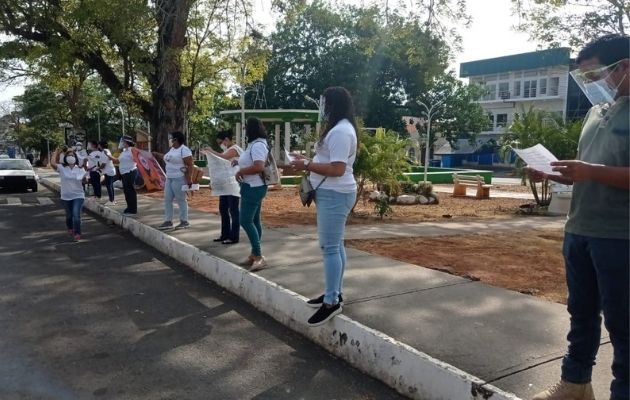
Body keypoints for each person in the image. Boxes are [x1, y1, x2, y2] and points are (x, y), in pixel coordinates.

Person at [529, 34, 629, 400]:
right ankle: (575, 385)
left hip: (621, 237)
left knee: (624, 327)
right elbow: (586, 170)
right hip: (580, 230)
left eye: (595, 75)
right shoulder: (595, 112)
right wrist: (552, 173)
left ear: (625, 66)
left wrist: (591, 171)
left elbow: (596, 170)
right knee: (581, 316)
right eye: (584, 78)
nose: (591, 85)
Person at [291, 86, 358, 327]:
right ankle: (333, 293)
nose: (322, 109)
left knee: (329, 247)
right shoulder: (340, 128)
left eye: (324, 104)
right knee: (336, 245)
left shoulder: (340, 131)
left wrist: (307, 164)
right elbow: (329, 161)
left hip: (335, 193)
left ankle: (331, 302)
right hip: (332, 192)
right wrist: (307, 162)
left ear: (332, 105)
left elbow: (337, 169)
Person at [235, 117, 269, 271]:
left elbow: (259, 166)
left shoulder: (258, 145)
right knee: (254, 221)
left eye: (246, 127)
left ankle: (259, 256)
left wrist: (241, 171)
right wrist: (239, 163)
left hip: (253, 187)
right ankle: (255, 253)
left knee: (245, 220)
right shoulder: (254, 145)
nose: (245, 130)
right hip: (252, 185)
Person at [205, 130, 243, 244]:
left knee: (233, 210)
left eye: (221, 142)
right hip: (226, 184)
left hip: (234, 184)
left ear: (227, 139)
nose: (221, 145)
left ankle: (234, 236)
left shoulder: (234, 149)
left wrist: (211, 152)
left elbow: (223, 158)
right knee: (223, 209)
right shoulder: (227, 149)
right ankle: (225, 234)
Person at [50, 146, 88, 242]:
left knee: (76, 215)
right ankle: (70, 228)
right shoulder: (62, 168)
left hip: (78, 195)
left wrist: (84, 179)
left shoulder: (80, 169)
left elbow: (85, 181)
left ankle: (77, 233)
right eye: (69, 156)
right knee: (69, 216)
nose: (71, 157)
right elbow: (53, 163)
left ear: (75, 158)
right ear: (65, 158)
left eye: (72, 156)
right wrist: (56, 152)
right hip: (66, 196)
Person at [158, 131, 194, 230]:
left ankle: (184, 221)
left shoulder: (184, 150)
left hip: (179, 177)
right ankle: (168, 221)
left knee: (181, 199)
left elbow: (190, 165)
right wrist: (157, 154)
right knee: (167, 199)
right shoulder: (172, 149)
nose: (169, 140)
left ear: (176, 139)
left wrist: (189, 179)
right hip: (169, 178)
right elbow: (168, 158)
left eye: (171, 138)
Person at [110, 135, 138, 216]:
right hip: (124, 173)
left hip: (130, 172)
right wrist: (109, 156)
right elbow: (118, 161)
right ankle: (129, 208)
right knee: (126, 191)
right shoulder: (124, 151)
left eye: (123, 141)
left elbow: (136, 159)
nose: (121, 143)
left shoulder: (132, 150)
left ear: (127, 142)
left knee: (130, 191)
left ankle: (133, 210)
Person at [99, 140, 117, 206]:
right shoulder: (107, 150)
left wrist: (98, 168)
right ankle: (112, 199)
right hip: (110, 170)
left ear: (101, 145)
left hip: (108, 171)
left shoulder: (104, 152)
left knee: (109, 186)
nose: (98, 146)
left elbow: (103, 164)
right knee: (111, 186)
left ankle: (111, 200)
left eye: (99, 145)